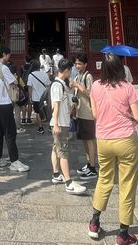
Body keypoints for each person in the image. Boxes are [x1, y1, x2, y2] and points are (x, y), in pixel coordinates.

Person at [88, 53, 138, 245]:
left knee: (104, 178)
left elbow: (95, 114)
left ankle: (94, 223)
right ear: (120, 69)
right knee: (127, 185)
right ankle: (123, 235)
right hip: (125, 140)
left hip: (103, 140)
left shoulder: (95, 86)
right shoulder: (128, 88)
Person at [50, 58, 87, 195]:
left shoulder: (61, 84)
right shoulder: (57, 85)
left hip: (61, 122)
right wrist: (56, 124)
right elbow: (56, 104)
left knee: (56, 148)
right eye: (70, 70)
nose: (71, 72)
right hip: (60, 123)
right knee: (63, 151)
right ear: (66, 71)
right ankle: (69, 182)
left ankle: (56, 174)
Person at [0, 46, 30, 172]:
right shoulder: (4, 68)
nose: (9, 57)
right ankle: (14, 161)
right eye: (8, 55)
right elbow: (15, 82)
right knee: (10, 132)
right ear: (4, 54)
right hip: (5, 103)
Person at [72, 54, 98, 179]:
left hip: (88, 113)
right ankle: (89, 164)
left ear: (85, 64)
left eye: (80, 64)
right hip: (79, 112)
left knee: (90, 140)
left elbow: (91, 94)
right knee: (84, 141)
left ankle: (93, 168)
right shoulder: (77, 76)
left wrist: (77, 86)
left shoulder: (88, 76)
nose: (77, 66)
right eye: (76, 64)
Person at [26, 59, 49, 134]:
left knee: (37, 112)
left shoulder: (31, 75)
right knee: (47, 112)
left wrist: (30, 97)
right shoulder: (45, 74)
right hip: (45, 98)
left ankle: (40, 127)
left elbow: (29, 87)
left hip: (36, 98)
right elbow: (48, 85)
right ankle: (50, 127)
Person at [21, 55, 35, 124]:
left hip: (23, 87)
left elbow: (20, 77)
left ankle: (23, 119)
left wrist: (22, 86)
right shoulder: (32, 68)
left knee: (23, 103)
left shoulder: (22, 67)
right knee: (29, 103)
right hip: (30, 86)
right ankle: (29, 119)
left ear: (25, 60)